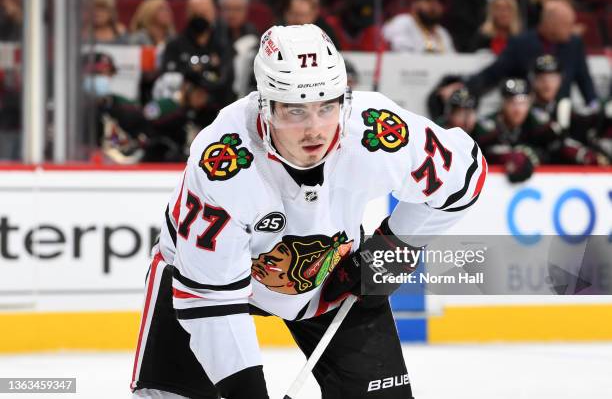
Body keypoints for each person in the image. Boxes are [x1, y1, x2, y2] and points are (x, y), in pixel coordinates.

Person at [130, 24, 486, 399]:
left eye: (326, 106)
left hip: (330, 276)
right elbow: (211, 300)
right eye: (295, 111)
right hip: (203, 282)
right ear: (265, 106)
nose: (314, 130)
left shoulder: (376, 130)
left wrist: (395, 247)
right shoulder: (224, 163)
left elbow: (465, 175)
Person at [461, 0, 598, 106]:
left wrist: (593, 105)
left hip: (561, 112)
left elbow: (584, 79)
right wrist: (464, 89)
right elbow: (492, 73)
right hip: (526, 116)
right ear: (551, 24)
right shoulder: (521, 44)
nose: (571, 30)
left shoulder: (574, 44)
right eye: (567, 25)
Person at [142, 67, 219, 162]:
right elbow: (148, 129)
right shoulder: (166, 107)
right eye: (199, 93)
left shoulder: (208, 113)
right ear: (186, 88)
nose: (204, 98)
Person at [473, 78, 541, 183]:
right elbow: (480, 153)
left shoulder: (535, 123)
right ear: (503, 103)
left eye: (523, 103)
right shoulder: (488, 126)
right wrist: (510, 156)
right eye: (512, 102)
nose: (517, 110)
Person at [382, 0, 455, 53]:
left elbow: (454, 61)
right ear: (415, 3)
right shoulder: (402, 22)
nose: (434, 5)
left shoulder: (442, 32)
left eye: (440, 1)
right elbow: (402, 56)